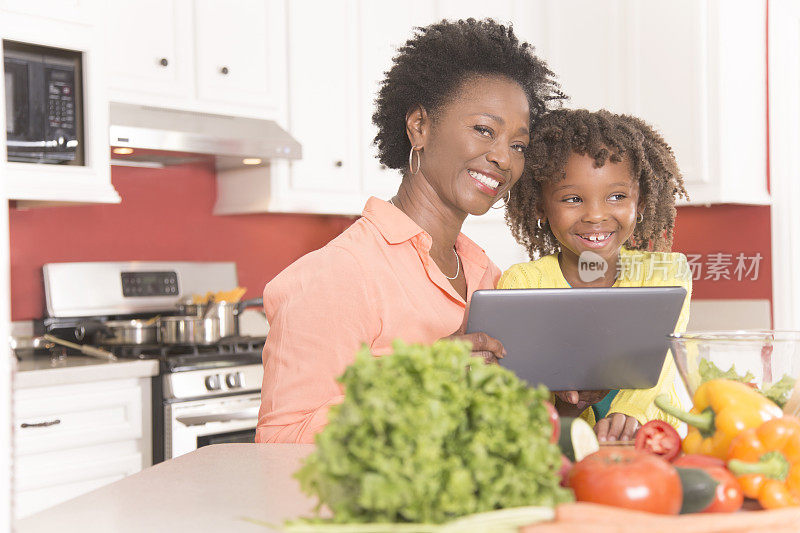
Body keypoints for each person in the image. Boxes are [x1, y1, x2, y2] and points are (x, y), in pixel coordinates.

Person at [256, 19, 564, 444]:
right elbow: (278, 444)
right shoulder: (339, 273)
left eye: (518, 145)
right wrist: (420, 380)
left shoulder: (486, 275)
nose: (503, 159)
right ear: (419, 126)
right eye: (483, 130)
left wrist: (566, 397)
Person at [499, 109, 691, 442]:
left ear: (641, 201)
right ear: (541, 208)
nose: (596, 215)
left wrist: (629, 412)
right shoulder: (522, 283)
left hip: (655, 442)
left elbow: (664, 362)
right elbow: (516, 395)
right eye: (573, 199)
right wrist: (564, 401)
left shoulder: (666, 273)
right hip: (558, 450)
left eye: (617, 196)